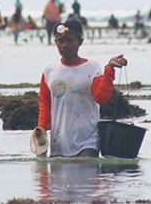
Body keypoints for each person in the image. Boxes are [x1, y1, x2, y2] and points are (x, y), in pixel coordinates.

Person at [35, 20, 127, 157]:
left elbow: (101, 97)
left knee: (86, 171)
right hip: (59, 143)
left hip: (88, 141)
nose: (64, 45)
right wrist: (41, 128)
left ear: (80, 42)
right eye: (60, 41)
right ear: (55, 43)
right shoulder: (50, 71)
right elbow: (45, 103)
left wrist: (109, 70)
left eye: (70, 41)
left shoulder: (92, 67)